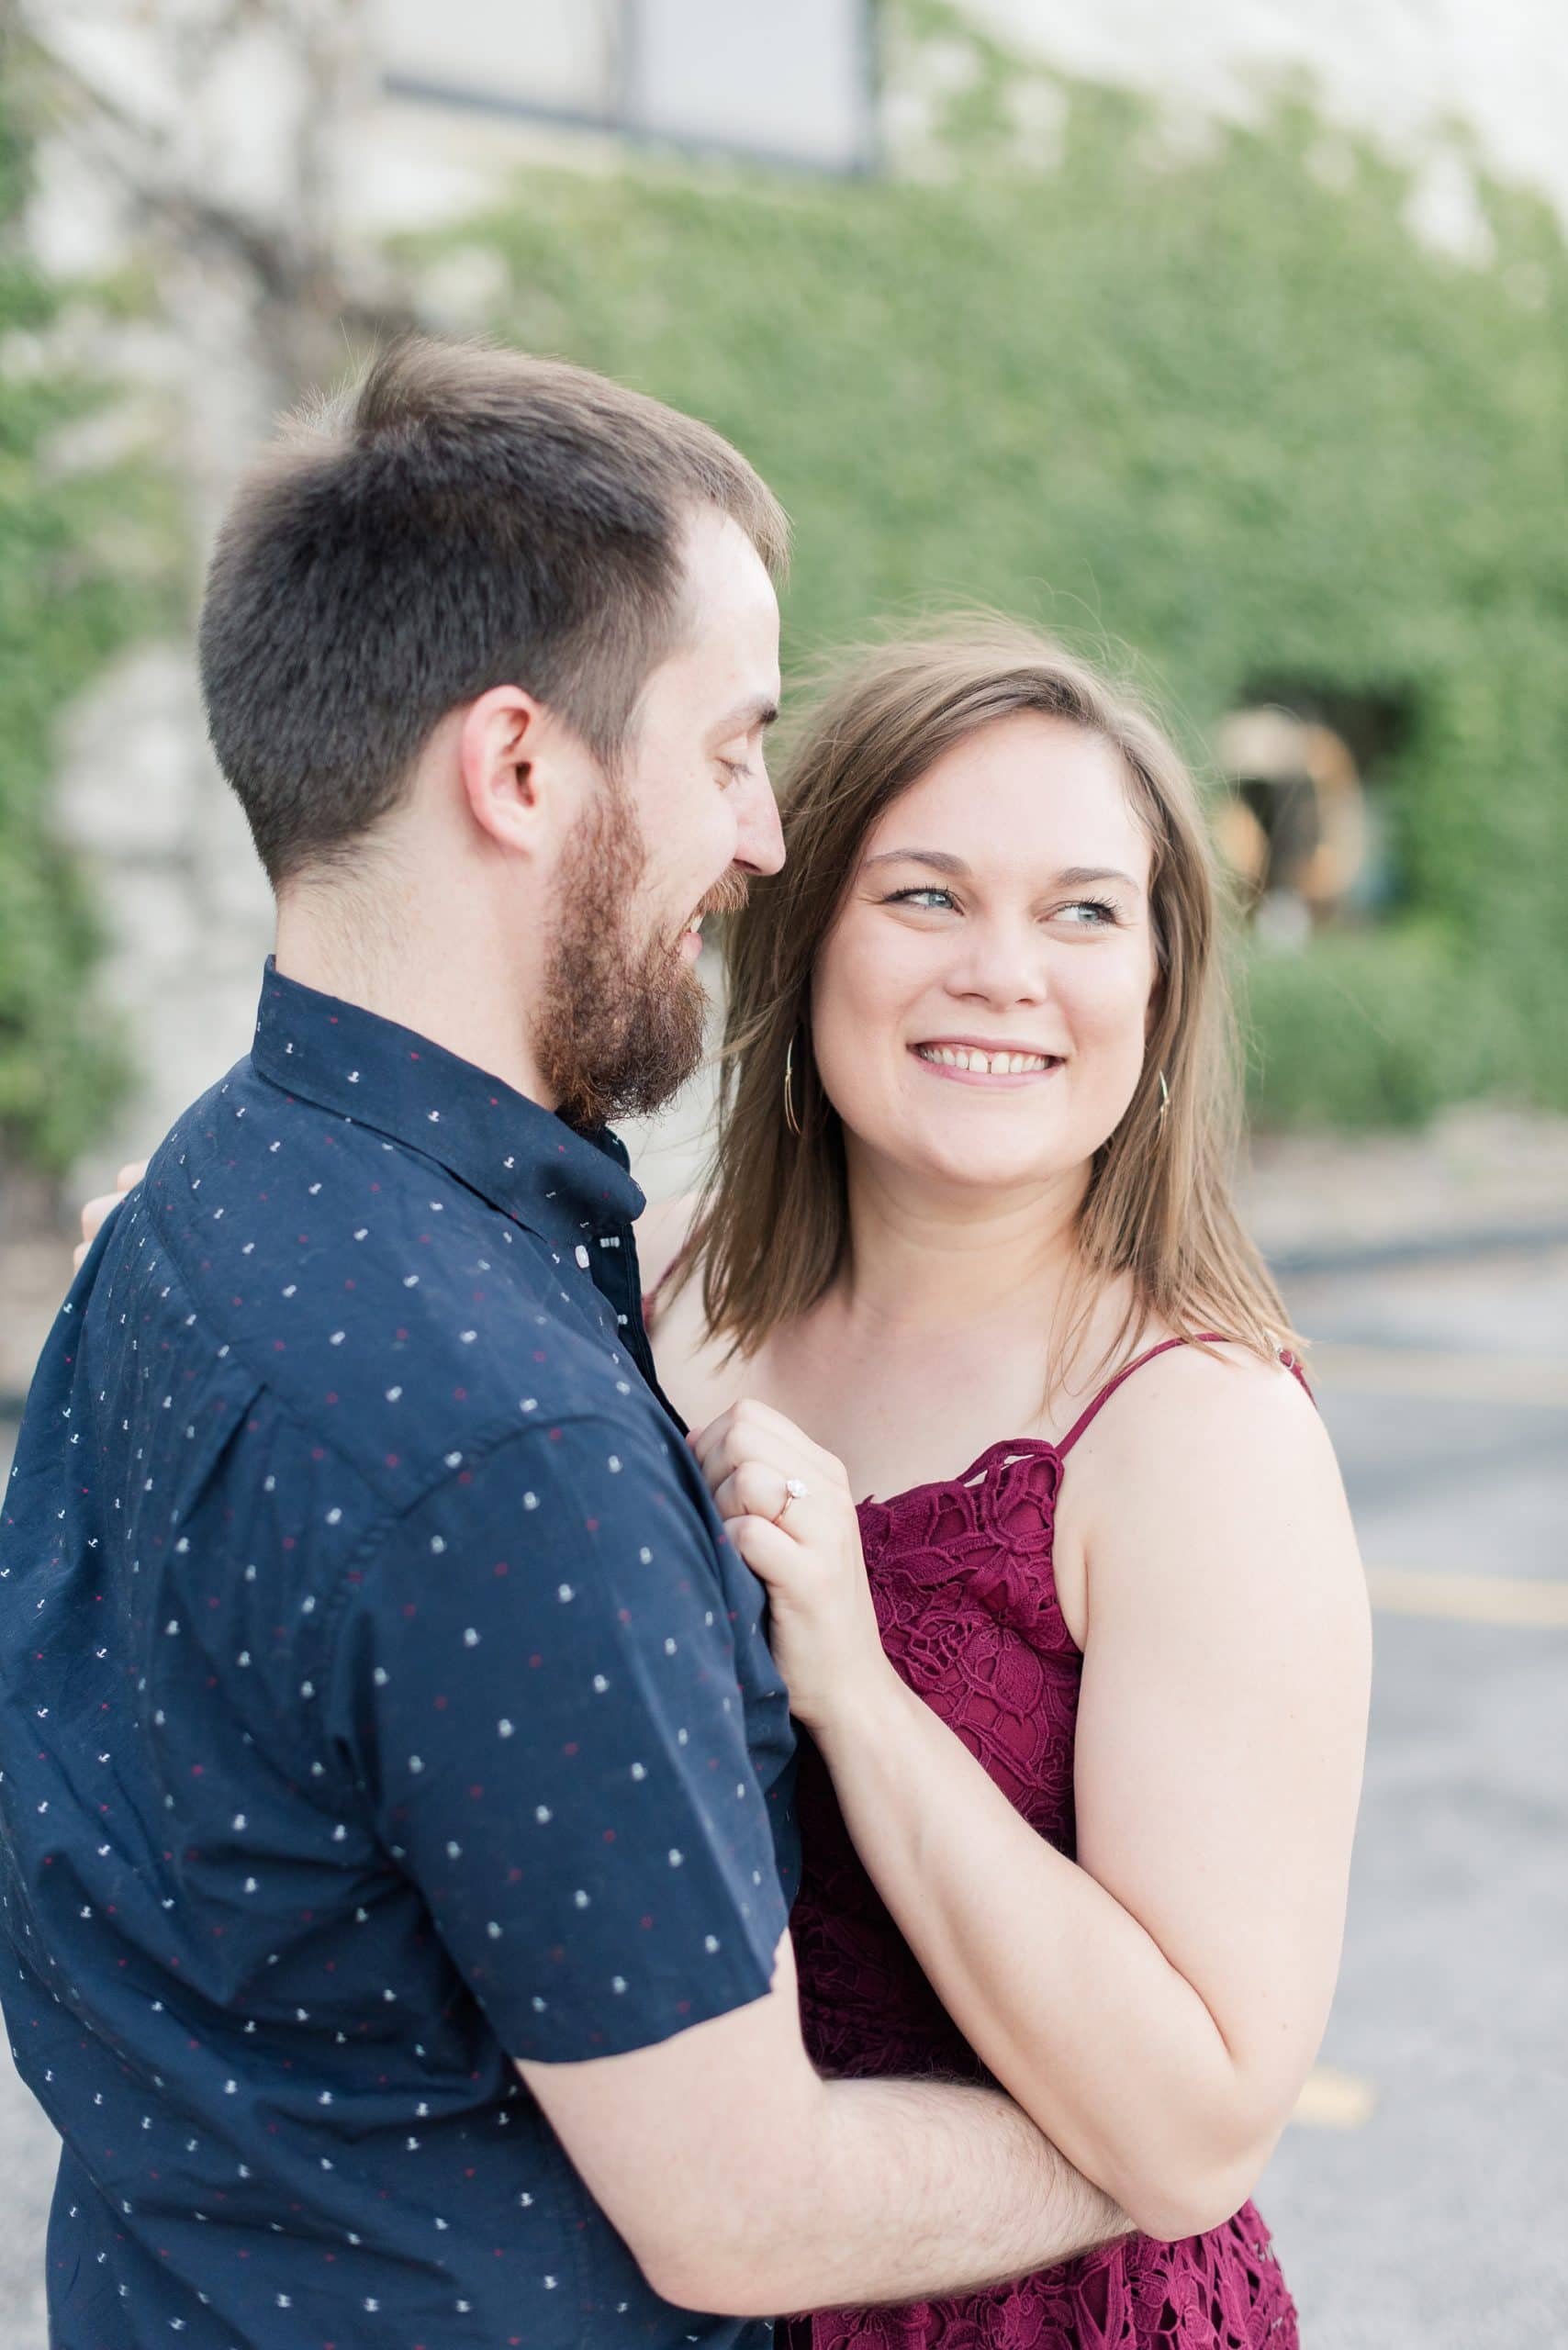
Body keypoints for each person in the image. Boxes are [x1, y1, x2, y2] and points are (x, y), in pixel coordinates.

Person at [2, 340, 1135, 2350]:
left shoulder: (194, 1204)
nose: (766, 835)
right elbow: (741, 2208)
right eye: (725, 749)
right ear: (518, 767)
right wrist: (1147, 2141)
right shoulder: (494, 1442)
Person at [634, 621, 1372, 2346]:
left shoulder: (1199, 1428)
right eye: (926, 897)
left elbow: (1196, 2131)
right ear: (807, 939)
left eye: (1083, 911)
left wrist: (856, 1687)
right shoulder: (647, 1301)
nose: (1003, 970)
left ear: (1162, 985)